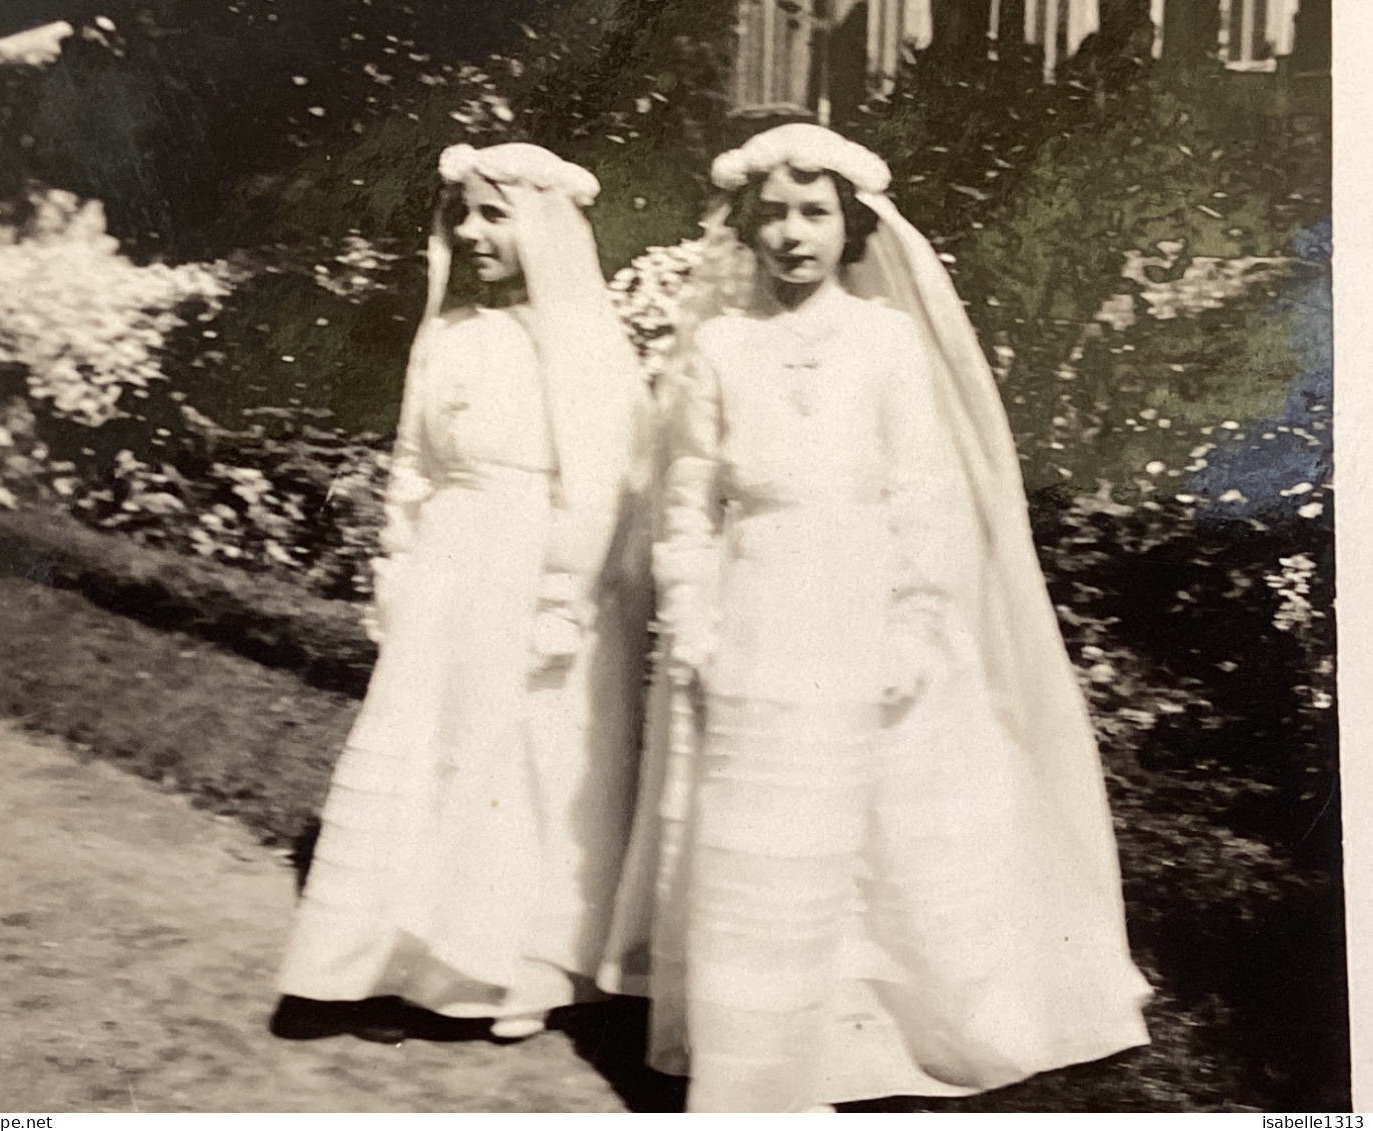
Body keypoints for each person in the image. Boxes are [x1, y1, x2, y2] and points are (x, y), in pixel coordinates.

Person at [598, 123, 1152, 1112]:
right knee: (764, 823)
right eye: (771, 214)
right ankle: (762, 1050)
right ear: (746, 228)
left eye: (813, 213)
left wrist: (911, 623)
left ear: (847, 227)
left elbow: (923, 497)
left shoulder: (885, 340)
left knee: (880, 821)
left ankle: (870, 1036)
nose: (790, 234)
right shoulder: (719, 346)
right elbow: (684, 499)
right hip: (757, 598)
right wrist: (692, 613)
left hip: (858, 596)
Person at [273, 142, 654, 1044]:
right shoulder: (447, 331)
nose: (474, 232)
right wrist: (400, 559)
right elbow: (412, 458)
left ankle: (514, 960)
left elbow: (598, 482)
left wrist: (562, 597)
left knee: (519, 754)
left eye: (495, 214)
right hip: (451, 559)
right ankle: (392, 954)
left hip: (533, 568)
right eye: (463, 215)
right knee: (428, 746)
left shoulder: (583, 341)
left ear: (545, 230)